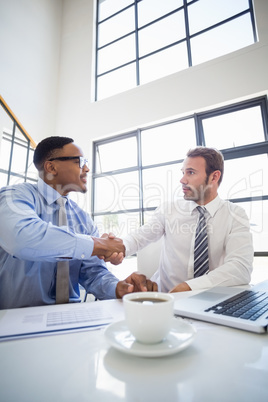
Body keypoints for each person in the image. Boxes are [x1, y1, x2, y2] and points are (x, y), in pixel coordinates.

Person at [0, 136, 156, 309]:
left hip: (71, 315)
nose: (87, 168)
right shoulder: (14, 196)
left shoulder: (83, 218)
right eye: (80, 162)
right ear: (51, 167)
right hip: (13, 317)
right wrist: (100, 245)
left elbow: (93, 273)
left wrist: (119, 288)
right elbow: (22, 238)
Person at [106, 146, 254, 293]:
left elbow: (240, 268)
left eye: (190, 172)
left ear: (214, 177)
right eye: (183, 172)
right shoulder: (169, 210)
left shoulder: (235, 215)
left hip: (212, 301)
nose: (182, 180)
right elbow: (140, 237)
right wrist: (119, 249)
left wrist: (190, 287)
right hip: (166, 300)